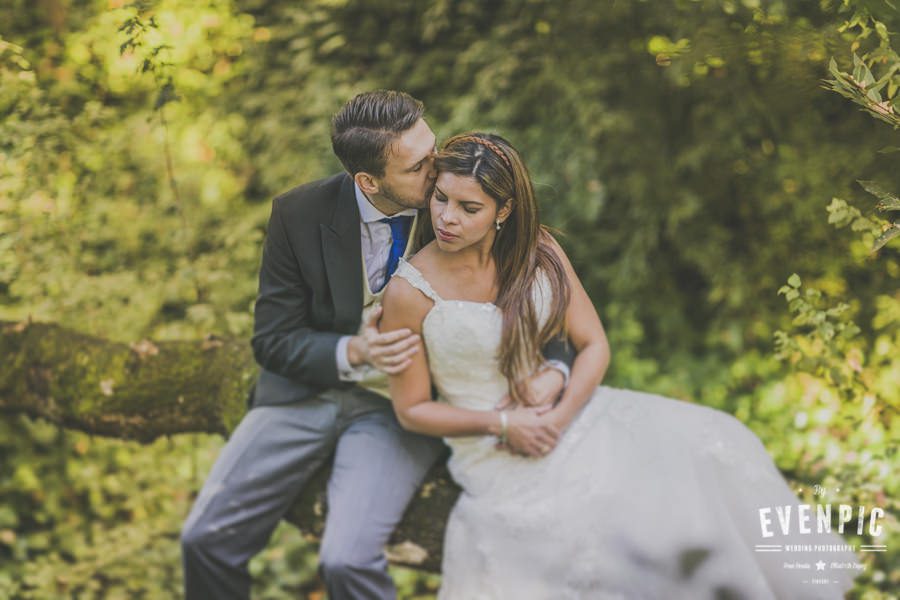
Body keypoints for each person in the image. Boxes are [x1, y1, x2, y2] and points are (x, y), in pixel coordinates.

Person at [380, 132, 860, 599]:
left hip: (574, 414)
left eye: (469, 208)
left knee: (716, 440)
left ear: (503, 211)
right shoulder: (409, 292)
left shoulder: (538, 250)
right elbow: (412, 408)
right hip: (492, 450)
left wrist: (558, 415)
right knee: (610, 522)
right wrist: (506, 424)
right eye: (441, 199)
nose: (447, 218)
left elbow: (594, 345)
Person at [180, 92, 573, 599]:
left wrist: (555, 368)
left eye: (432, 149)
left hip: (399, 408)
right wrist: (354, 352)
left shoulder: (458, 208)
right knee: (203, 539)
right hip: (306, 393)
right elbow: (273, 340)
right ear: (369, 181)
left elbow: (540, 299)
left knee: (346, 560)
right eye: (419, 166)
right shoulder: (298, 214)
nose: (438, 172)